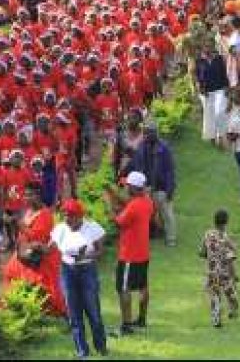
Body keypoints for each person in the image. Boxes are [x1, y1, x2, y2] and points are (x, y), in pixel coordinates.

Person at [49, 198, 108, 358]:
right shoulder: (60, 229)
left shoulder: (92, 228)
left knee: (93, 311)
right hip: (68, 271)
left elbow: (101, 251)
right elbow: (51, 246)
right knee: (74, 313)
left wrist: (86, 255)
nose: (68, 219)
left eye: (71, 216)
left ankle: (101, 346)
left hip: (87, 270)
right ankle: (82, 351)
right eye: (65, 215)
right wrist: (40, 248)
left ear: (80, 216)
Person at [113, 171, 155, 335]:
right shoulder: (148, 202)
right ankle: (142, 320)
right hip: (143, 253)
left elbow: (118, 223)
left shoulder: (133, 205)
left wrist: (113, 210)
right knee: (143, 286)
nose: (125, 188)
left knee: (124, 288)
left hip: (129, 254)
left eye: (127, 186)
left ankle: (126, 325)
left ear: (134, 188)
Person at [128, 121, 177, 247]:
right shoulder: (142, 146)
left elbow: (170, 170)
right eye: (146, 132)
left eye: (150, 132)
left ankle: (171, 239)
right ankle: (149, 235)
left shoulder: (164, 147)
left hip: (161, 187)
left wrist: (170, 189)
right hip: (146, 187)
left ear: (156, 133)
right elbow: (136, 164)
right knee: (145, 214)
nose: (147, 135)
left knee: (166, 213)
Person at [199, 209, 239, 328]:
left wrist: (209, 255)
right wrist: (234, 275)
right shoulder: (226, 239)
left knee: (215, 296)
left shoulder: (208, 234)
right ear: (226, 222)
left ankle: (216, 320)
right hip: (224, 273)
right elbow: (230, 259)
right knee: (231, 293)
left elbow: (202, 252)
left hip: (212, 272)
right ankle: (233, 310)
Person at [196, 41, 229, 144]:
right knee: (209, 115)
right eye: (206, 47)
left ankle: (221, 135)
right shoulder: (200, 61)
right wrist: (201, 89)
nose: (208, 50)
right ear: (203, 49)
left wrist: (227, 86)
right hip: (207, 92)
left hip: (219, 90)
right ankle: (212, 136)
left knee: (219, 112)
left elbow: (224, 73)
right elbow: (198, 77)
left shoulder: (218, 59)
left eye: (209, 47)